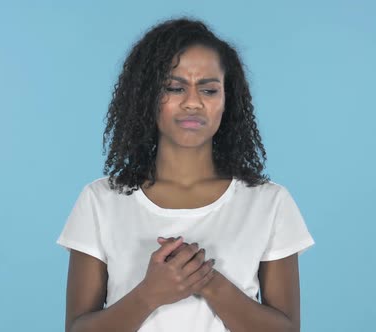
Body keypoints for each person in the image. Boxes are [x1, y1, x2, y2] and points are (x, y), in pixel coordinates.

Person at [56, 17, 315, 332]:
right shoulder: (100, 200)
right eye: (174, 88)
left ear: (226, 100)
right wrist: (149, 294)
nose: (193, 103)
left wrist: (207, 281)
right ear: (146, 98)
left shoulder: (269, 202)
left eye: (208, 89)